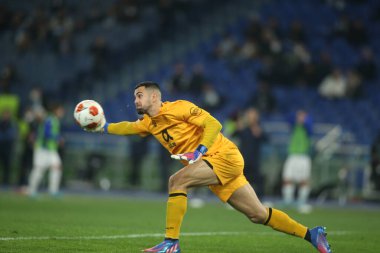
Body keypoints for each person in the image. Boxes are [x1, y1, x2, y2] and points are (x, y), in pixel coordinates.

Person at [86, 82, 331, 253]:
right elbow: (128, 127)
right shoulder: (150, 123)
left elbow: (214, 123)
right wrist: (102, 127)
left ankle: (171, 243)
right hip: (213, 166)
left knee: (176, 181)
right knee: (258, 214)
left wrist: (200, 149)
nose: (135, 100)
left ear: (153, 97)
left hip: (223, 155)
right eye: (134, 97)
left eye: (139, 95)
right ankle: (312, 234)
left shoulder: (178, 107)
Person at [27, 103, 65, 197]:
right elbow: (46, 133)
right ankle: (31, 191)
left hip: (51, 149)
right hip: (43, 148)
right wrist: (58, 138)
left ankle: (53, 191)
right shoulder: (50, 119)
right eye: (61, 110)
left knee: (57, 167)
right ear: (56, 110)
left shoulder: (53, 120)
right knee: (39, 169)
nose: (62, 112)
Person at [282, 110, 313, 213]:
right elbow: (288, 118)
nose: (300, 118)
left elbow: (310, 128)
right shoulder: (294, 125)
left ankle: (302, 202)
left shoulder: (308, 127)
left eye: (303, 116)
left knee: (303, 180)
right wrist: (296, 118)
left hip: (304, 156)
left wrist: (305, 121)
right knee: (287, 178)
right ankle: (288, 201)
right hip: (292, 155)